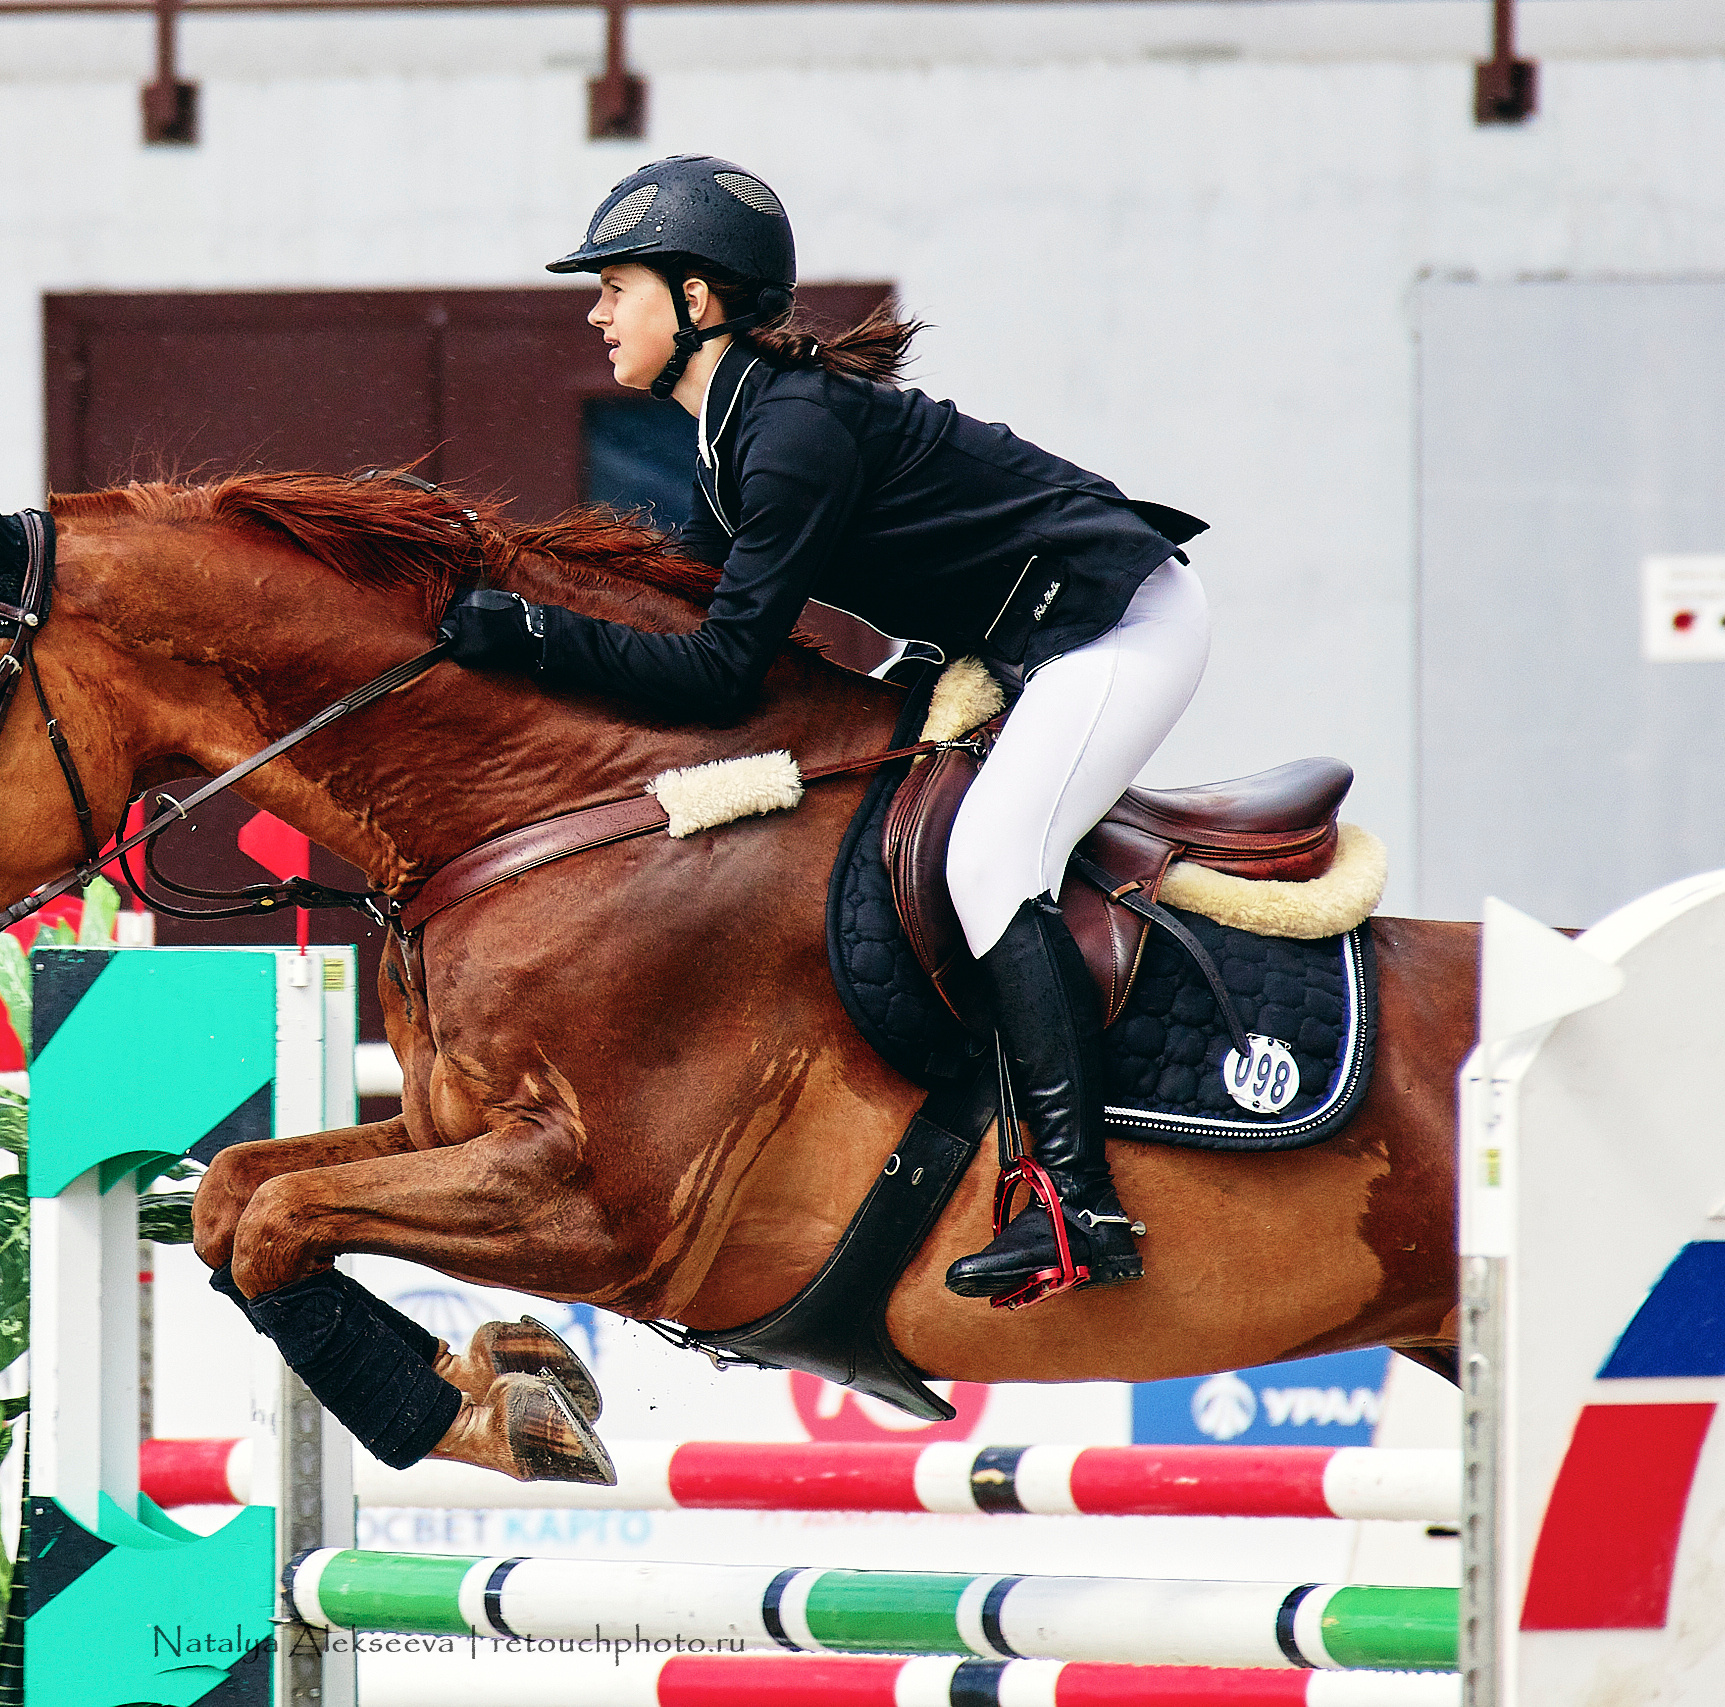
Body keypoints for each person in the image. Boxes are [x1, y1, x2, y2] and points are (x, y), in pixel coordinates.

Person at [439, 155, 1212, 1305]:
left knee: (991, 861)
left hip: (1113, 628)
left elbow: (715, 670)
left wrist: (537, 638)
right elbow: (688, 617)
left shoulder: (789, 431)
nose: (595, 311)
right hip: (1002, 644)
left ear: (697, 299)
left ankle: (1075, 1202)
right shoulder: (729, 432)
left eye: (616, 285)